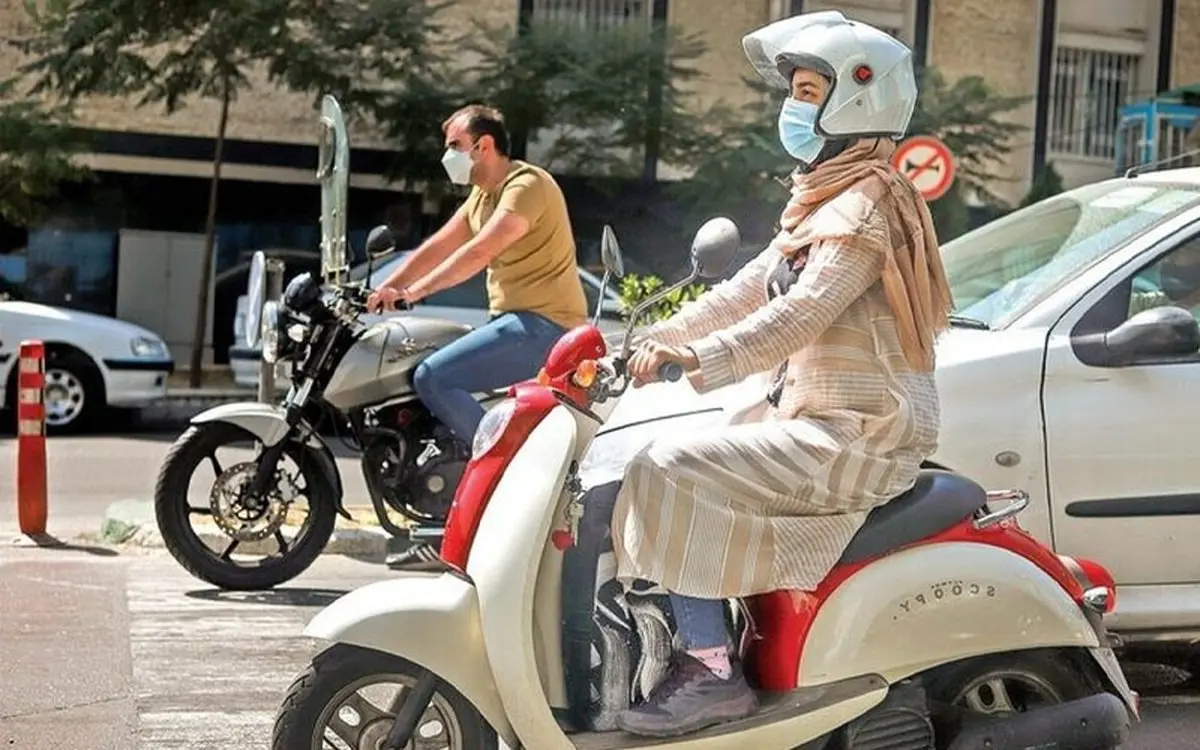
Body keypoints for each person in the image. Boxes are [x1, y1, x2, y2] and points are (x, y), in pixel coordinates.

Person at [609, 11, 954, 737]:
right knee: (659, 447)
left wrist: (694, 359)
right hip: (815, 418)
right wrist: (646, 338)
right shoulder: (824, 201)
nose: (791, 110)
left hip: (859, 434)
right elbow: (744, 291)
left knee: (669, 468)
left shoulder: (866, 209)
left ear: (854, 99)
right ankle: (689, 635)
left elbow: (801, 313)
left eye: (806, 93)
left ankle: (709, 668)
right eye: (793, 92)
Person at [369, 104, 589, 569]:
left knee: (434, 377)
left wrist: (414, 294)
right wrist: (385, 287)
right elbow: (439, 245)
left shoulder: (525, 186)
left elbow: (479, 251)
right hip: (513, 323)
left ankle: (501, 478)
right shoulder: (481, 197)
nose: (447, 155)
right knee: (424, 367)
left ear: (483, 145)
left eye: (455, 145)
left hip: (544, 327)